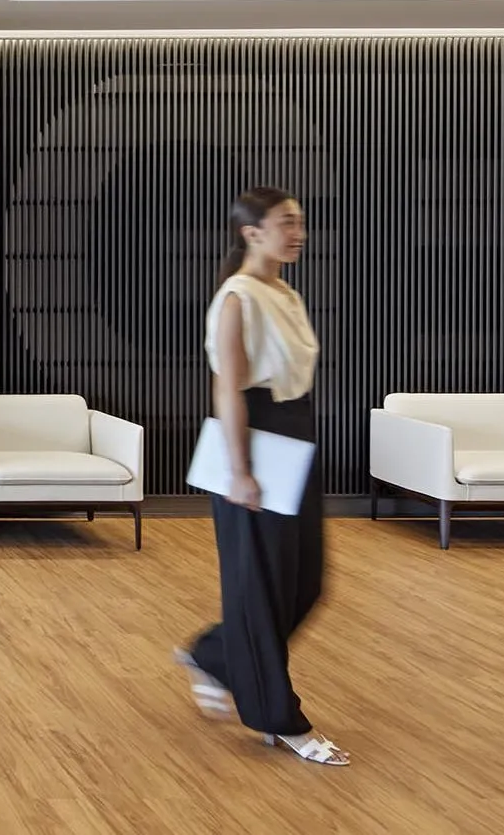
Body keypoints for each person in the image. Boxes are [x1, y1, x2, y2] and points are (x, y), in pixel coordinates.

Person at [175, 186, 349, 766]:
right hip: (256, 441)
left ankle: (215, 655)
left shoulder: (287, 293)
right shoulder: (237, 298)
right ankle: (281, 719)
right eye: (285, 222)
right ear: (251, 232)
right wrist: (241, 472)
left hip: (297, 436)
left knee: (306, 585)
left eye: (299, 221)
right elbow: (227, 388)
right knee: (259, 589)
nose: (297, 231)